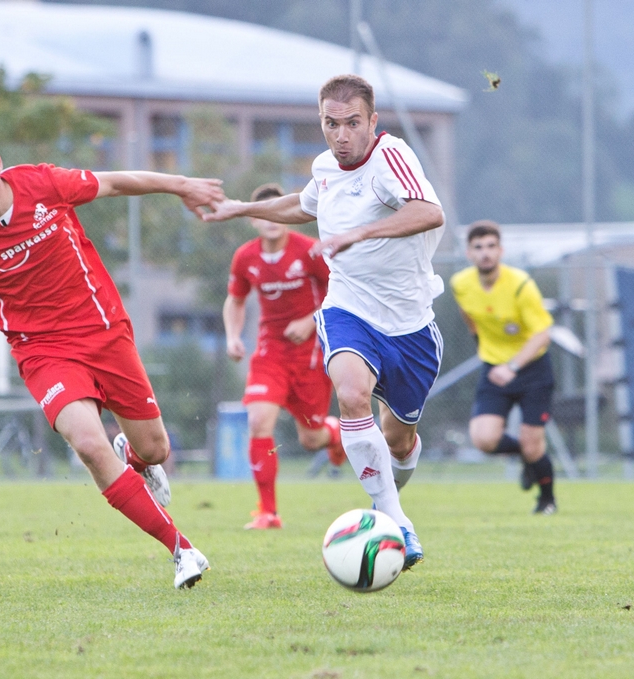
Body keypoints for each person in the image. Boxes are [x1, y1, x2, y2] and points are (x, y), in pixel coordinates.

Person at [0, 124, 224, 589]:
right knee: (89, 445)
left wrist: (180, 184)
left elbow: (114, 183)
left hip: (103, 330)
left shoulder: (43, 184)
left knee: (156, 449)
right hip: (42, 352)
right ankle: (181, 549)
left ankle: (138, 459)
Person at [206, 74, 446, 570]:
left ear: (372, 122)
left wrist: (360, 233)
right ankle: (396, 520)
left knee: (399, 439)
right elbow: (302, 203)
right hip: (349, 307)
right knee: (352, 394)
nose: (341, 135)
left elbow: (429, 212)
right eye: (330, 124)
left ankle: (388, 499)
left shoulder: (390, 156)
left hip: (410, 322)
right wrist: (243, 208)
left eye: (352, 123)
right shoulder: (325, 167)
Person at [223, 182, 346, 530]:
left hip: (310, 355)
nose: (272, 219)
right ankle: (268, 512)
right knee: (258, 421)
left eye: (279, 210)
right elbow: (235, 299)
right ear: (254, 219)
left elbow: (340, 291)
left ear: (289, 216)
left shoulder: (310, 252)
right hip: (270, 353)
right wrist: (233, 337)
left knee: (311, 439)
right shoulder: (245, 257)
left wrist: (311, 321)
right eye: (265, 212)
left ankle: (333, 434)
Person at [450, 221, 557, 514]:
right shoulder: (461, 283)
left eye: (490, 247)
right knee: (484, 440)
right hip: (494, 368)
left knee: (534, 444)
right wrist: (483, 345)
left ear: (501, 250)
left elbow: (542, 334)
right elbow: (468, 313)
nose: (485, 253)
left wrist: (512, 365)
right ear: (469, 253)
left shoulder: (521, 284)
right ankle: (527, 456)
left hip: (533, 369)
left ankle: (547, 499)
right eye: (478, 247)